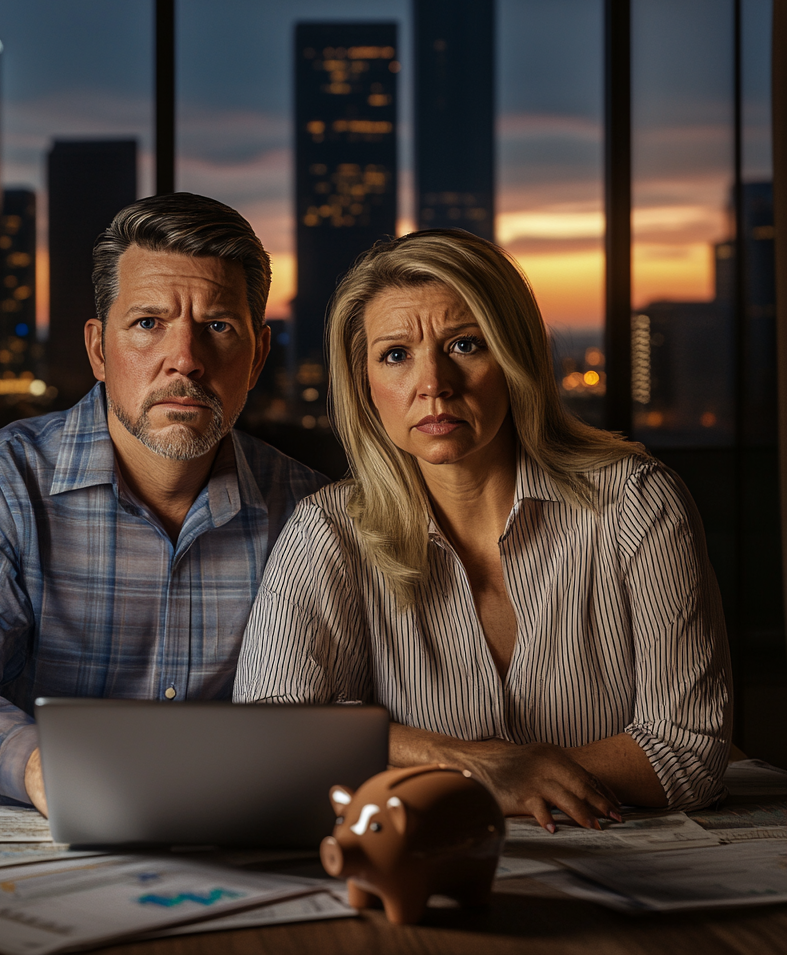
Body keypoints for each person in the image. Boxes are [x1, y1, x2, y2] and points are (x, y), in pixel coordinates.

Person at [234, 228, 731, 830]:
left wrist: (506, 782)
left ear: (516, 355)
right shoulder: (328, 531)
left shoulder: (636, 505)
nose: (434, 383)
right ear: (365, 385)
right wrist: (469, 768)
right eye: (396, 355)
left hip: (626, 871)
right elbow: (272, 732)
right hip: (421, 868)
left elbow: (687, 749)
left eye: (465, 345)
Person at [0, 193, 327, 814]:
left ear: (258, 357)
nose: (185, 360)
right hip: (41, 838)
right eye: (147, 324)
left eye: (218, 327)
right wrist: (43, 769)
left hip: (239, 836)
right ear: (96, 350)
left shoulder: (310, 512)